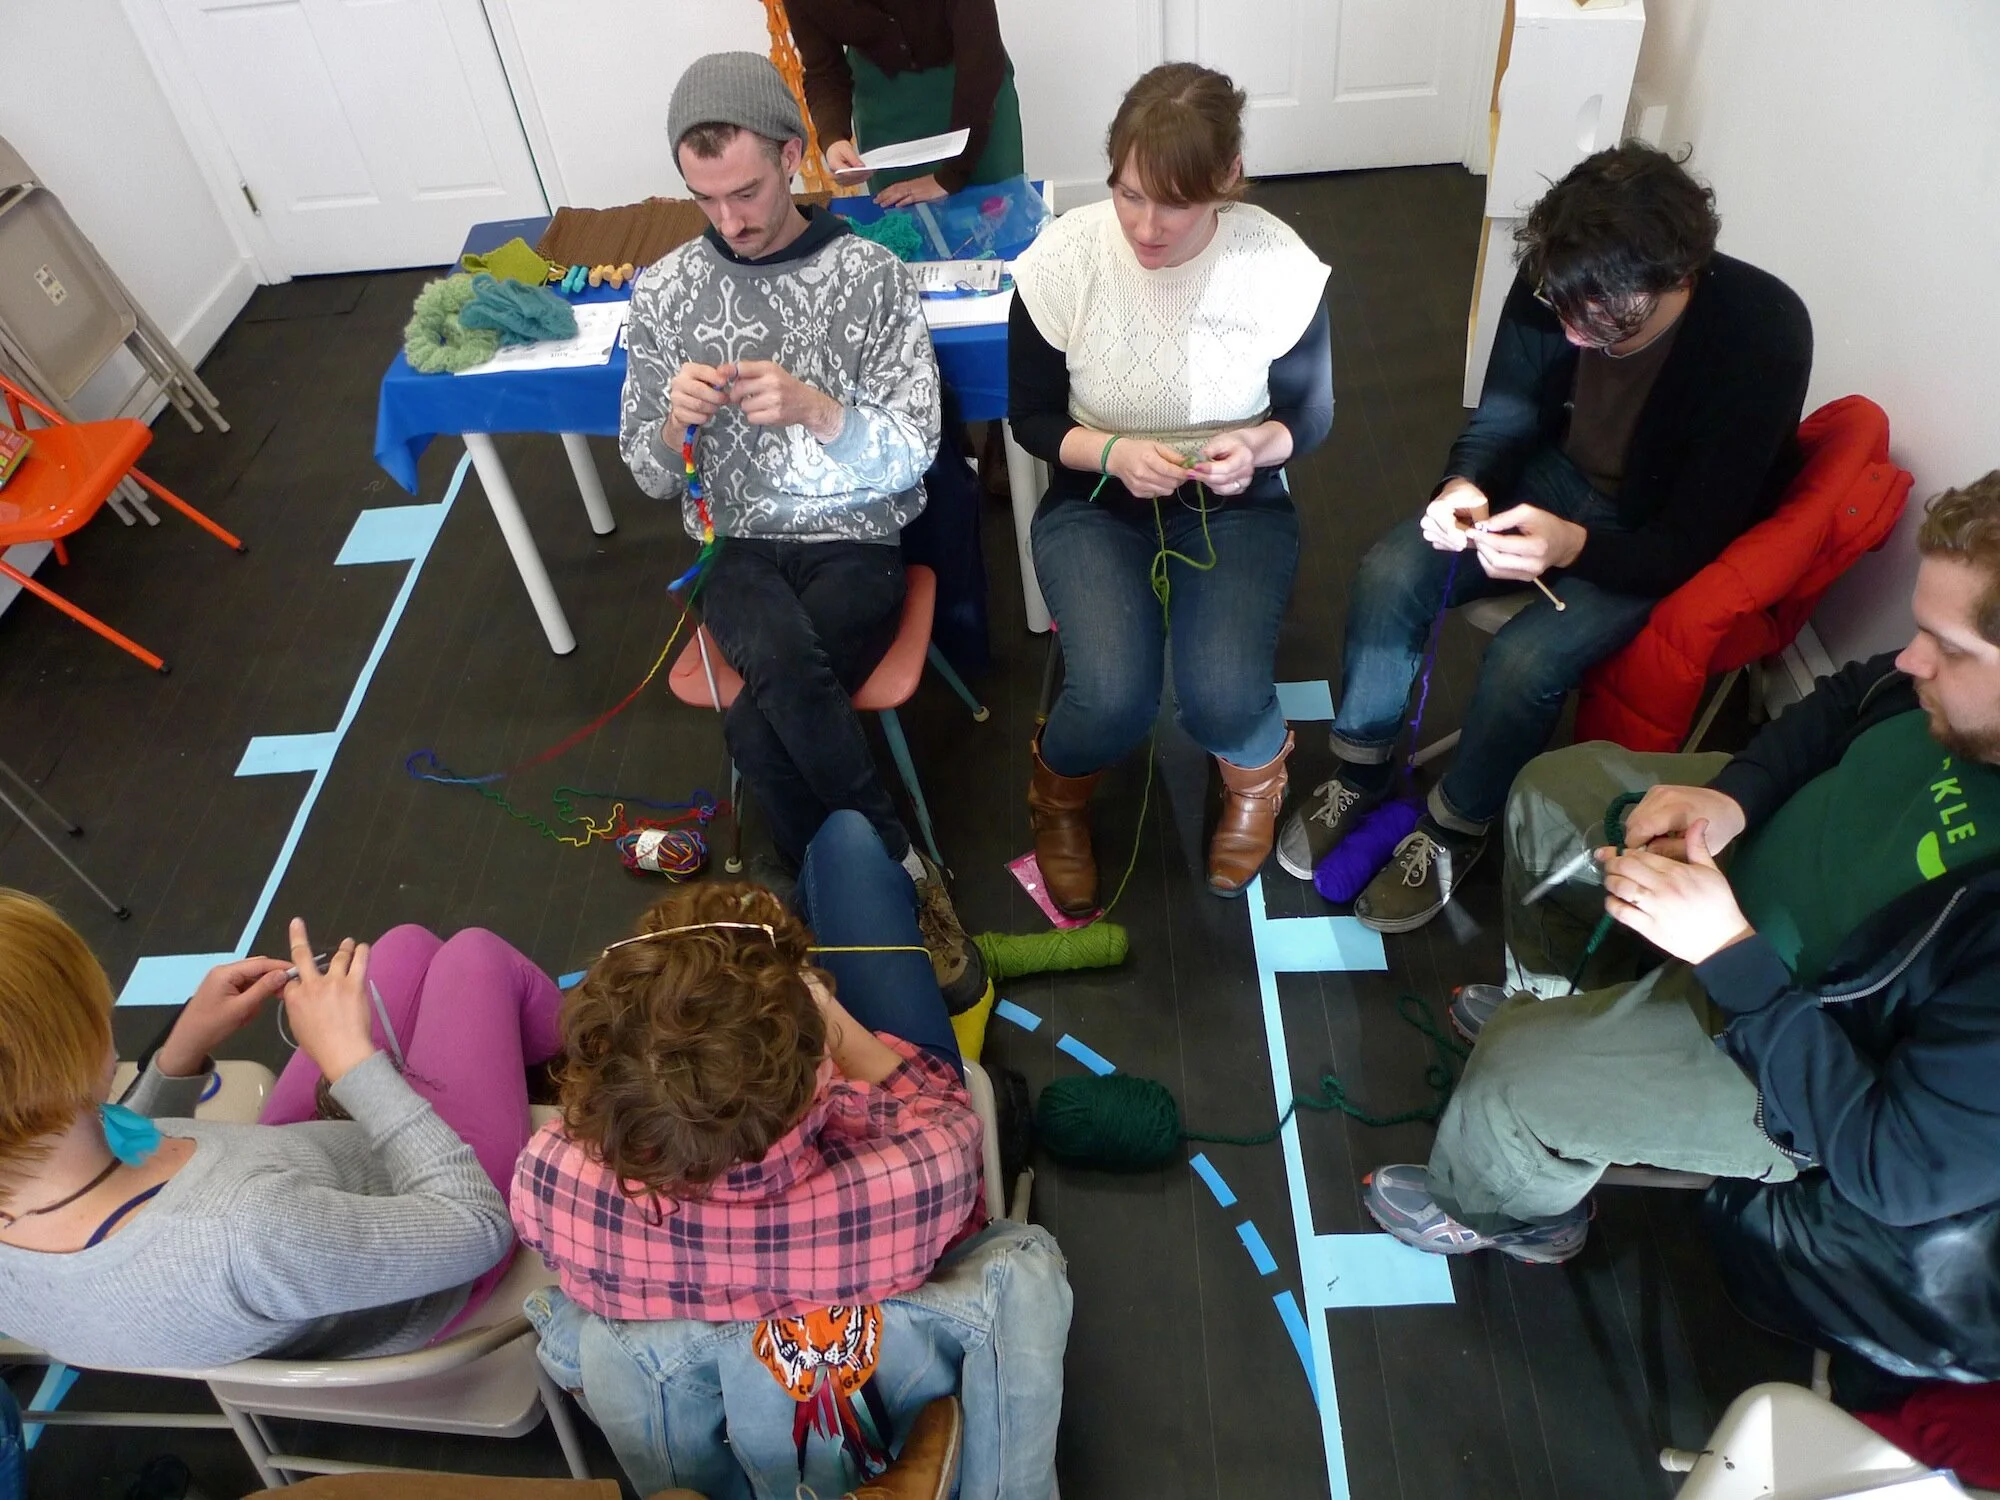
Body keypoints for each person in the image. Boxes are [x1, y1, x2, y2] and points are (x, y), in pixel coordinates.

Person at [1362, 473, 2000, 1388]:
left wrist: (1730, 957)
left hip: (1789, 1046)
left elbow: (1893, 1167)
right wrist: (1732, 798)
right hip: (1732, 897)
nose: (1911, 659)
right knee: (1555, 795)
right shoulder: (1940, 694)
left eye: (1948, 647)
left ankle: (1509, 1211)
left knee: (1516, 1075)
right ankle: (1567, 1008)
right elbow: (1847, 700)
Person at [1279, 143, 1813, 933]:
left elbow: (1689, 540)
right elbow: (1501, 419)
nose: (1565, 331)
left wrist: (1571, 548)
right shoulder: (1561, 276)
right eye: (1558, 308)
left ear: (1674, 278)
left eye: (1593, 320)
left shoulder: (1762, 333)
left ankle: (1458, 824)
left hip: (1652, 531)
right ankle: (1360, 769)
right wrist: (1464, 486)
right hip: (1553, 479)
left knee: (1526, 660)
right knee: (1391, 572)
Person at [620, 52, 982, 1008]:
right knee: (780, 666)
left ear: (792, 157)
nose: (729, 221)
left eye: (745, 192)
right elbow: (650, 473)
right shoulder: (665, 293)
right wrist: (670, 426)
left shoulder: (872, 276)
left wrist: (823, 413)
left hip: (855, 536)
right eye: (705, 199)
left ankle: (799, 890)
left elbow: (912, 456)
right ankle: (902, 868)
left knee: (762, 706)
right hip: (732, 543)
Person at [1008, 62, 1332, 908]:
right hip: (1096, 500)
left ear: (1227, 180)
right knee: (1113, 698)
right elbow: (1031, 417)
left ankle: (1256, 780)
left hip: (1236, 503)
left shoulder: (1275, 261)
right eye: (1128, 195)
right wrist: (1113, 453)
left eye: (1176, 204)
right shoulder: (1064, 260)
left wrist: (1257, 446)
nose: (1146, 228)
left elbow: (1310, 412)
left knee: (1223, 697)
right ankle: (1057, 797)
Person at [0, 899, 563, 1370]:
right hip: (441, 1236)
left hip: (297, 1186)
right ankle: (586, 1057)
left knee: (404, 946)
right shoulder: (245, 1234)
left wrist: (184, 1048)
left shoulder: (40, 1162)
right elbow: (478, 1227)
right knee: (474, 954)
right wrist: (352, 1065)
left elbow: (120, 1153)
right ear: (67, 1059)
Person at [511, 811, 986, 1322]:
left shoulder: (549, 1182)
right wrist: (823, 1007)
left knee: (840, 847)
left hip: (713, 1353)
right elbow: (950, 1115)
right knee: (845, 837)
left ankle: (805, 894)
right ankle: (808, 895)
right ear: (823, 1074)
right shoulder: (922, 1180)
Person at [789, 0, 1025, 207]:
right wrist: (833, 138)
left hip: (975, 92)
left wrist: (952, 175)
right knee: (904, 227)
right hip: (885, 104)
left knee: (999, 214)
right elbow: (823, 70)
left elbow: (981, 60)